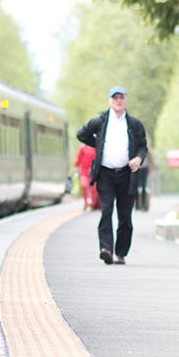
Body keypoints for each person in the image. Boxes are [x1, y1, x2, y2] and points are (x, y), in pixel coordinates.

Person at [75, 86, 148, 265]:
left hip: (127, 175)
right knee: (106, 212)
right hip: (105, 174)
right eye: (115, 98)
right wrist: (98, 144)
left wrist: (138, 158)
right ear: (109, 100)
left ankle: (121, 253)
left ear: (126, 100)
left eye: (121, 97)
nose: (118, 100)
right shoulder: (100, 121)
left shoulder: (134, 124)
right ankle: (106, 249)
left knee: (125, 217)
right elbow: (81, 134)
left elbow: (142, 146)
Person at [74, 144, 99, 211]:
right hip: (84, 171)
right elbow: (78, 159)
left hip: (93, 172)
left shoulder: (96, 147)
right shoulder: (83, 148)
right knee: (84, 186)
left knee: (94, 189)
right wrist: (76, 170)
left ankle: (93, 204)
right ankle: (86, 203)